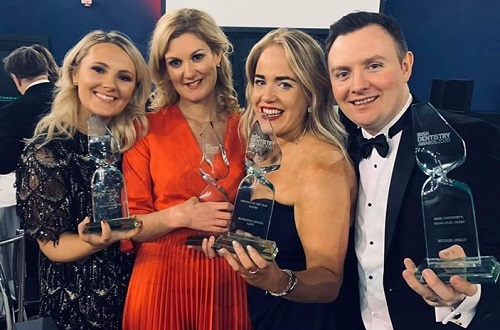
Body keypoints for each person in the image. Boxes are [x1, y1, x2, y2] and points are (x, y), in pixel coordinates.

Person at [325, 11, 500, 330]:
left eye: (373, 65)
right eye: (342, 73)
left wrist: (468, 298)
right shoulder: (333, 149)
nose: (358, 85)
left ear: (406, 65)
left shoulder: (467, 142)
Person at [206, 28, 357, 329]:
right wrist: (231, 243)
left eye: (284, 84)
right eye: (260, 81)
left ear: (313, 94)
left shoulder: (323, 166)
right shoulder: (265, 144)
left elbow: (328, 282)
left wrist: (276, 280)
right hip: (254, 312)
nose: (266, 96)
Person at [121, 8, 251, 330]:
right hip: (161, 279)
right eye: (175, 63)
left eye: (197, 57)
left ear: (217, 55)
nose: (188, 72)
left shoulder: (247, 127)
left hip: (228, 276)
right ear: (164, 70)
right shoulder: (145, 129)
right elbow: (127, 224)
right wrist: (181, 216)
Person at [16, 30, 151, 329]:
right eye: (99, 69)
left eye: (124, 77)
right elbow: (52, 246)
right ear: (75, 73)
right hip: (82, 299)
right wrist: (92, 243)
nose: (110, 85)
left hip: (143, 289)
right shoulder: (48, 150)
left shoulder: (135, 141)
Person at [0, 44, 58, 307]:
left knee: (37, 263)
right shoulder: (69, 100)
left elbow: (4, 162)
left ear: (15, 78)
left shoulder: (13, 112)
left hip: (38, 203)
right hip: (82, 203)